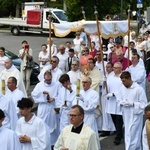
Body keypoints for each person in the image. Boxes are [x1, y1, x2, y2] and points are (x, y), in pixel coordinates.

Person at [117, 71, 147, 150]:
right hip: (126, 116)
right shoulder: (122, 89)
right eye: (122, 81)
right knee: (127, 135)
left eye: (124, 81)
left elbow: (144, 104)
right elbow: (118, 100)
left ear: (129, 79)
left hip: (135, 116)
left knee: (133, 135)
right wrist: (122, 103)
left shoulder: (138, 89)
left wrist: (133, 104)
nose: (123, 83)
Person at [31, 70, 59, 146]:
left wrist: (54, 99)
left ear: (52, 77)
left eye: (49, 80)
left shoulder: (56, 85)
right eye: (46, 80)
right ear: (44, 78)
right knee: (42, 125)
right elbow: (33, 94)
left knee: (52, 126)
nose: (48, 81)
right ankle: (42, 142)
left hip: (52, 107)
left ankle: (53, 144)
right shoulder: (39, 85)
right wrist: (42, 94)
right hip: (43, 108)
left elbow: (60, 95)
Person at [105, 62, 124, 145]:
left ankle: (118, 137)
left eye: (117, 68)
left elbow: (123, 89)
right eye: (114, 67)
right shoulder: (110, 77)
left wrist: (113, 94)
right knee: (114, 119)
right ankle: (119, 133)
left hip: (119, 101)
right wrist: (104, 84)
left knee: (119, 120)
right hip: (111, 102)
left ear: (120, 68)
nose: (115, 69)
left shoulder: (123, 77)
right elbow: (107, 87)